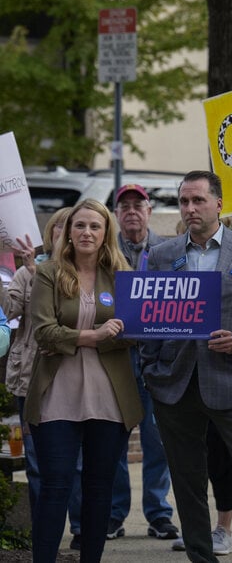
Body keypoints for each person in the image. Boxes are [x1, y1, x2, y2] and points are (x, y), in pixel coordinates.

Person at [142, 170, 232, 563]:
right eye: (184, 201)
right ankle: (201, 557)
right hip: (174, 385)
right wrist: (150, 371)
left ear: (220, 204)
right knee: (188, 484)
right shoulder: (160, 255)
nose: (190, 208)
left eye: (198, 201)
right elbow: (149, 320)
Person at [26, 199, 143, 562]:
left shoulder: (123, 273)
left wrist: (70, 337)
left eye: (95, 226)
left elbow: (134, 333)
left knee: (98, 489)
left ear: (106, 231)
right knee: (56, 485)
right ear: (68, 231)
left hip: (109, 396)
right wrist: (95, 336)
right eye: (80, 226)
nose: (87, 232)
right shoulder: (48, 272)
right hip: (56, 393)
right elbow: (43, 332)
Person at [2, 208, 82, 543]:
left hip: (70, 372)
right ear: (49, 233)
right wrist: (27, 272)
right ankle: (41, 530)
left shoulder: (84, 271)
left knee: (76, 460)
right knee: (35, 460)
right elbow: (11, 311)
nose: (63, 232)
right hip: (30, 375)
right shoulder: (26, 271)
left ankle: (80, 526)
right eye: (58, 227)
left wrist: (38, 273)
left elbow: (70, 311)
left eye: (70, 226)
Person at [107, 183, 179, 542]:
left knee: (157, 440)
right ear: (117, 215)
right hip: (117, 358)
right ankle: (114, 514)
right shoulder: (105, 253)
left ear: (150, 211)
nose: (132, 211)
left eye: (139, 205)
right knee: (114, 440)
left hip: (156, 359)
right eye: (126, 207)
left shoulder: (169, 251)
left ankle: (159, 514)